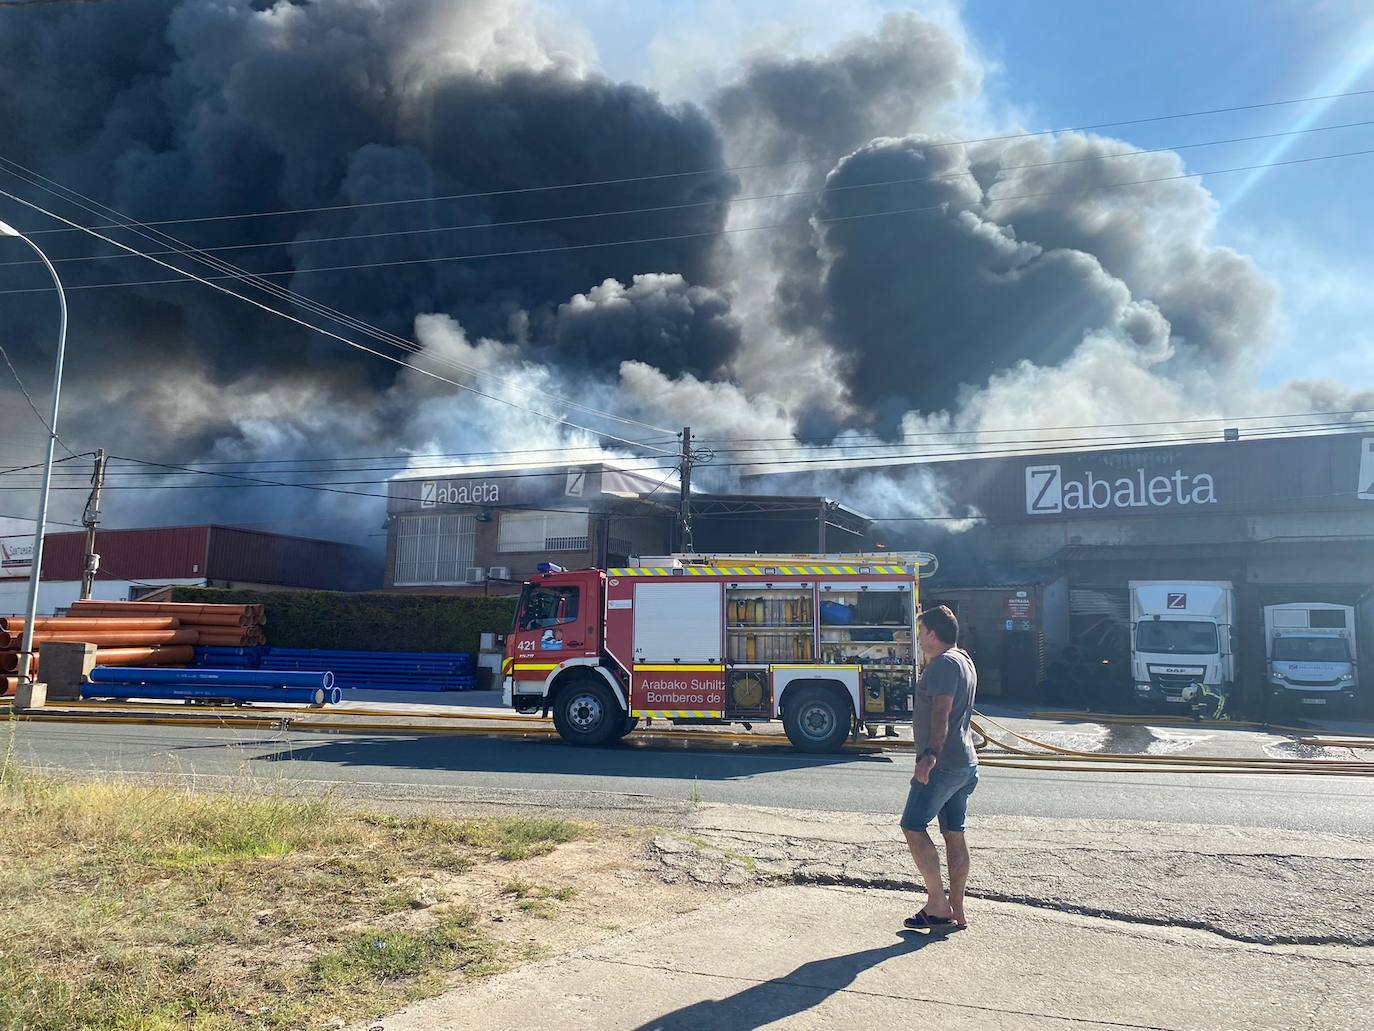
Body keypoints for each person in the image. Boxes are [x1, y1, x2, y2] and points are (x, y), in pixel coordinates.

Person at [899, 604, 978, 932]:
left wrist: (928, 756)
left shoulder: (944, 664)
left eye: (920, 633)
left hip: (943, 765)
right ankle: (956, 906)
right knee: (954, 833)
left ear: (932, 633)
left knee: (913, 826)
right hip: (965, 765)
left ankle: (937, 904)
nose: (918, 639)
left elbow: (941, 711)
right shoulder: (964, 660)